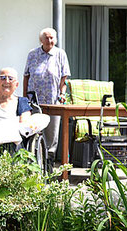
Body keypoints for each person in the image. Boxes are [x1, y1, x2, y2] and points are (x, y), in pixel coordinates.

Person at [23, 27, 71, 161]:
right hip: (34, 101)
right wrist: (24, 98)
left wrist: (62, 94)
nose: (49, 40)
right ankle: (33, 161)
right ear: (41, 40)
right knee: (34, 131)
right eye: (46, 37)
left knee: (51, 135)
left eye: (52, 38)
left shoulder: (60, 54)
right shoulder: (32, 54)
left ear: (55, 39)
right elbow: (26, 76)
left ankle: (49, 163)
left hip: (53, 101)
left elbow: (64, 78)